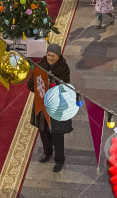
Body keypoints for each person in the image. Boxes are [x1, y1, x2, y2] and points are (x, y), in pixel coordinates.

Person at [27, 44, 72, 172]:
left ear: (58, 56)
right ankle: (47, 153)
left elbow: (65, 87)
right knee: (43, 131)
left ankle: (59, 159)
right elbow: (30, 86)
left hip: (56, 107)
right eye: (48, 55)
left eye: (53, 56)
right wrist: (38, 82)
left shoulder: (64, 68)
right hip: (42, 105)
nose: (50, 58)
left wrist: (52, 83)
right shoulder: (40, 66)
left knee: (57, 134)